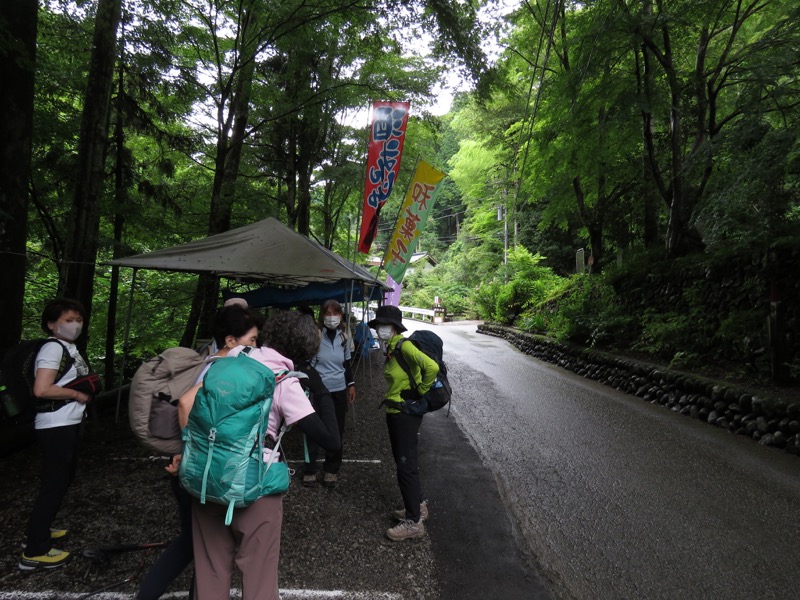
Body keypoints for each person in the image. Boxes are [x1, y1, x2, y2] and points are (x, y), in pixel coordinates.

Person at [180, 310, 340, 600]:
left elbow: (187, 401)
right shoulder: (284, 382)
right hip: (254, 486)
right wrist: (319, 388)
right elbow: (331, 440)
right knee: (258, 577)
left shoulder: (234, 357)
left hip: (206, 477)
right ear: (306, 348)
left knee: (210, 572)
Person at [136, 304, 262, 600]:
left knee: (206, 545)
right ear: (231, 341)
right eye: (253, 340)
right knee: (195, 543)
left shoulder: (213, 363)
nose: (256, 347)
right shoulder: (217, 370)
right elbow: (185, 405)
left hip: (195, 465)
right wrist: (189, 452)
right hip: (195, 468)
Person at [20, 298, 98, 570]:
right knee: (54, 483)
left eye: (78, 319)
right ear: (52, 324)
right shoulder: (52, 348)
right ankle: (35, 550)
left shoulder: (68, 347)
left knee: (63, 479)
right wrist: (77, 394)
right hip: (56, 425)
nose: (75, 325)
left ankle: (41, 529)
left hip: (67, 423)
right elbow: (42, 389)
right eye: (67, 320)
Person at [368, 305, 439, 541]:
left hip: (405, 413)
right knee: (406, 460)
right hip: (397, 410)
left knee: (405, 465)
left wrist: (421, 390)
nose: (380, 329)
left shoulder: (404, 345)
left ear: (395, 327)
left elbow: (432, 367)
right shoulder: (392, 346)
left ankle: (414, 522)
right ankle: (417, 506)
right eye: (378, 325)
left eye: (384, 325)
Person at [304, 299, 356, 487]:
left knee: (337, 429)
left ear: (341, 316)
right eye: (327, 313)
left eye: (335, 313)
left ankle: (331, 469)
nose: (331, 317)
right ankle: (310, 468)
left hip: (339, 389)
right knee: (313, 428)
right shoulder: (316, 335)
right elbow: (307, 364)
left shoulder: (344, 336)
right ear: (322, 316)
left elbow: (347, 364)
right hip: (318, 390)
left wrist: (351, 385)